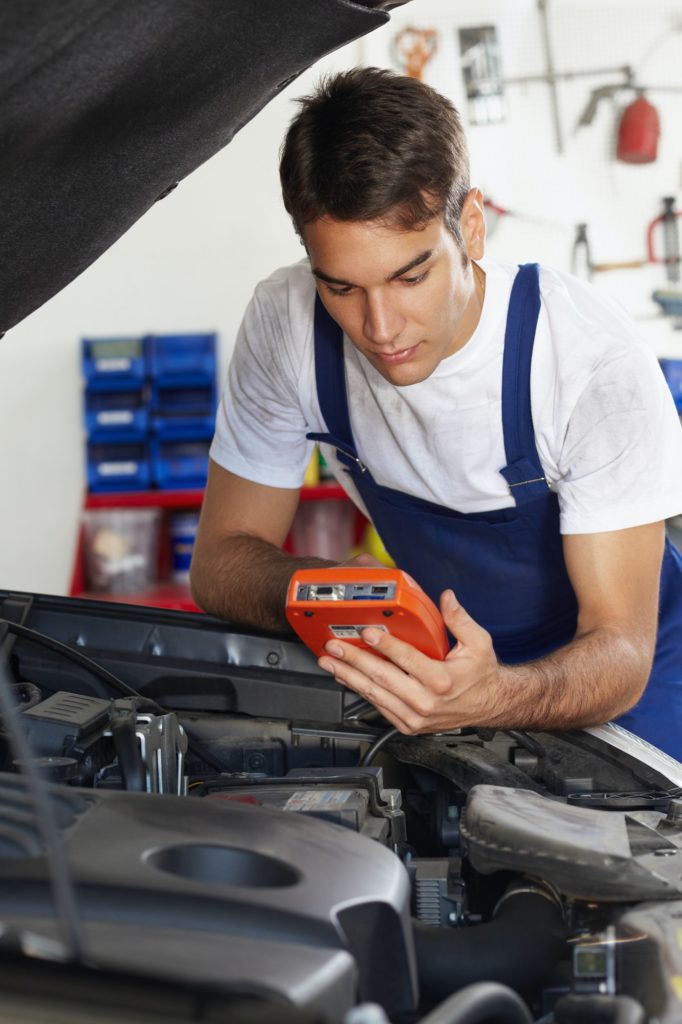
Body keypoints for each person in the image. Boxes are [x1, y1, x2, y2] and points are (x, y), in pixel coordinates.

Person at [190, 67, 682, 758]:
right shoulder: (288, 324)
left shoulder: (587, 362)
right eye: (342, 288)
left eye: (411, 276)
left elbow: (620, 649)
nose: (381, 328)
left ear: (471, 228)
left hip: (636, 684)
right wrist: (333, 594)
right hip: (440, 667)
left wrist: (494, 695)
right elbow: (219, 563)